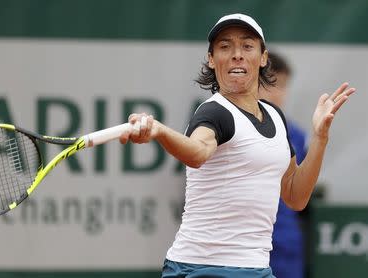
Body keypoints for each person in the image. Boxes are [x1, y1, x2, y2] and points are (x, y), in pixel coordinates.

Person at [120, 13, 355, 277]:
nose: (237, 54)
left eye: (247, 46)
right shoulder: (213, 113)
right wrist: (159, 131)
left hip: (256, 267)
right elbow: (198, 152)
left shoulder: (275, 117)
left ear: (263, 57)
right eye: (225, 47)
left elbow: (295, 195)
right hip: (203, 268)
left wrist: (320, 138)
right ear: (211, 59)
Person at [259, 51, 307, 278]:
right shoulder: (228, 127)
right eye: (272, 85)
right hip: (244, 241)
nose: (278, 94)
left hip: (285, 242)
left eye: (283, 86)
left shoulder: (296, 135)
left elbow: (299, 190)